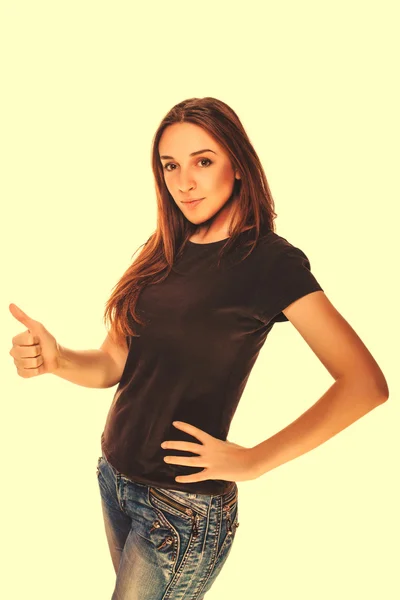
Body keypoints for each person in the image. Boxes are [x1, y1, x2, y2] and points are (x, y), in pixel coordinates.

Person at [9, 97, 389, 599]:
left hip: (180, 510)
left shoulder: (270, 262)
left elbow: (365, 384)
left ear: (237, 165)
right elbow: (114, 362)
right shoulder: (164, 247)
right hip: (115, 479)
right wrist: (58, 360)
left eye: (202, 161)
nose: (183, 182)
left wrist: (254, 460)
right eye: (170, 166)